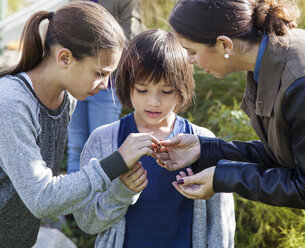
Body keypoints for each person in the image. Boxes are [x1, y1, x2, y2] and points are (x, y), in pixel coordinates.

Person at [153, 0, 305, 247]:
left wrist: (224, 178)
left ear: (224, 44)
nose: (188, 61)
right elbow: (285, 154)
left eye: (192, 51)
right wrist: (205, 150)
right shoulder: (272, 58)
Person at [0, 2, 160, 248]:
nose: (106, 84)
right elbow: (42, 197)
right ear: (64, 58)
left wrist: (122, 190)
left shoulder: (67, 98)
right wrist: (116, 161)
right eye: (100, 73)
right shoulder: (11, 102)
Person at [73, 29, 235, 248]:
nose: (154, 102)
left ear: (182, 90)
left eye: (166, 91)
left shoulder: (203, 141)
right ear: (127, 86)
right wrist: (121, 192)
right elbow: (87, 222)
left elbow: (221, 225)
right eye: (142, 90)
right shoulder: (104, 140)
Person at [66, 0, 143, 174]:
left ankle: (100, 200)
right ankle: (73, 199)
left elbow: (129, 39)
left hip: (106, 86)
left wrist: (96, 64)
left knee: (103, 149)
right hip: (76, 83)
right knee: (76, 147)